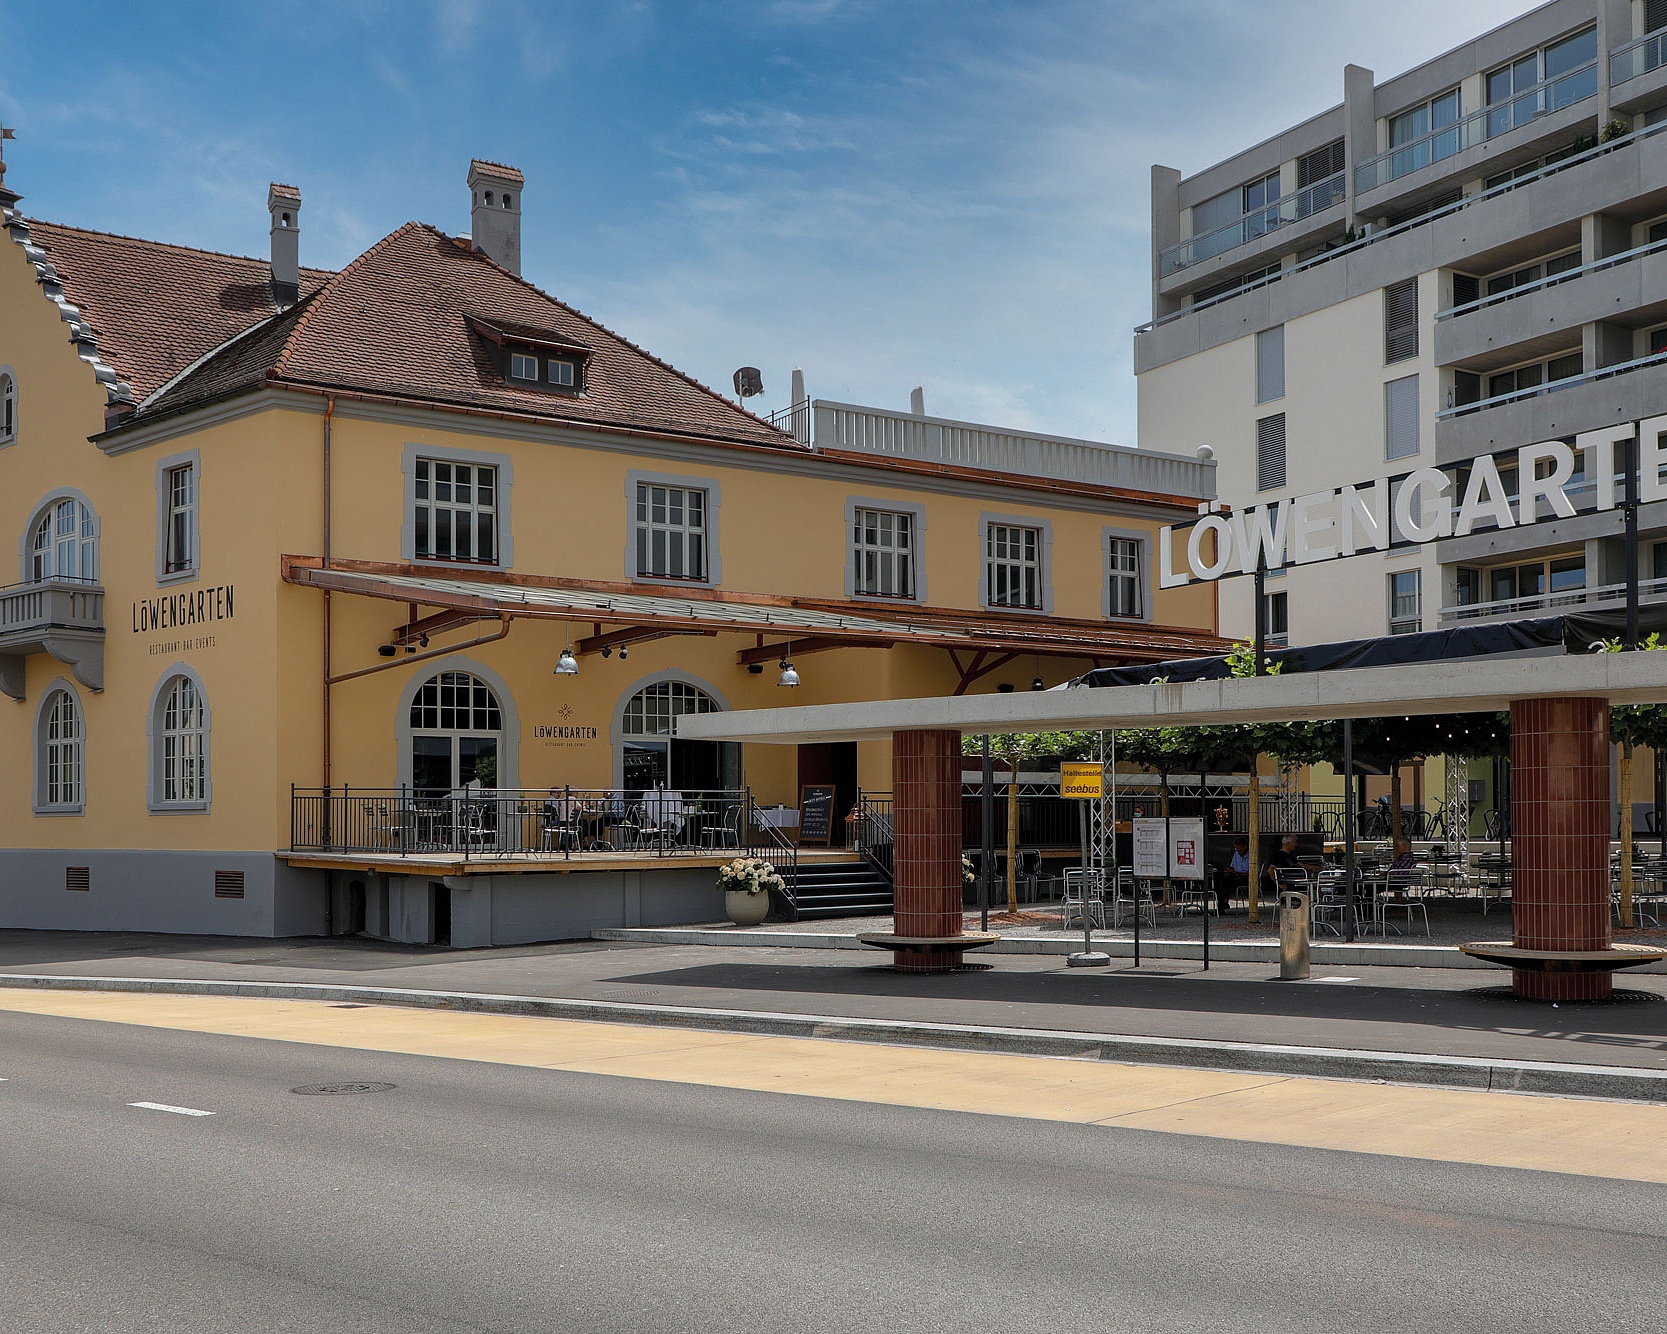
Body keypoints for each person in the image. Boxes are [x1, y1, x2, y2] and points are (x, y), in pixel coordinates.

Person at [1215, 836, 1250, 913]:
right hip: (1234, 877)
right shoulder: (1236, 854)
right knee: (1221, 881)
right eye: (1236, 848)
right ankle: (1222, 903)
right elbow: (1232, 866)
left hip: (1245, 878)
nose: (1238, 850)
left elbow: (1250, 873)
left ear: (1245, 846)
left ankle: (1223, 903)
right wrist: (1230, 870)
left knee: (1225, 882)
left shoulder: (1251, 856)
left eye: (1239, 848)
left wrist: (1237, 873)